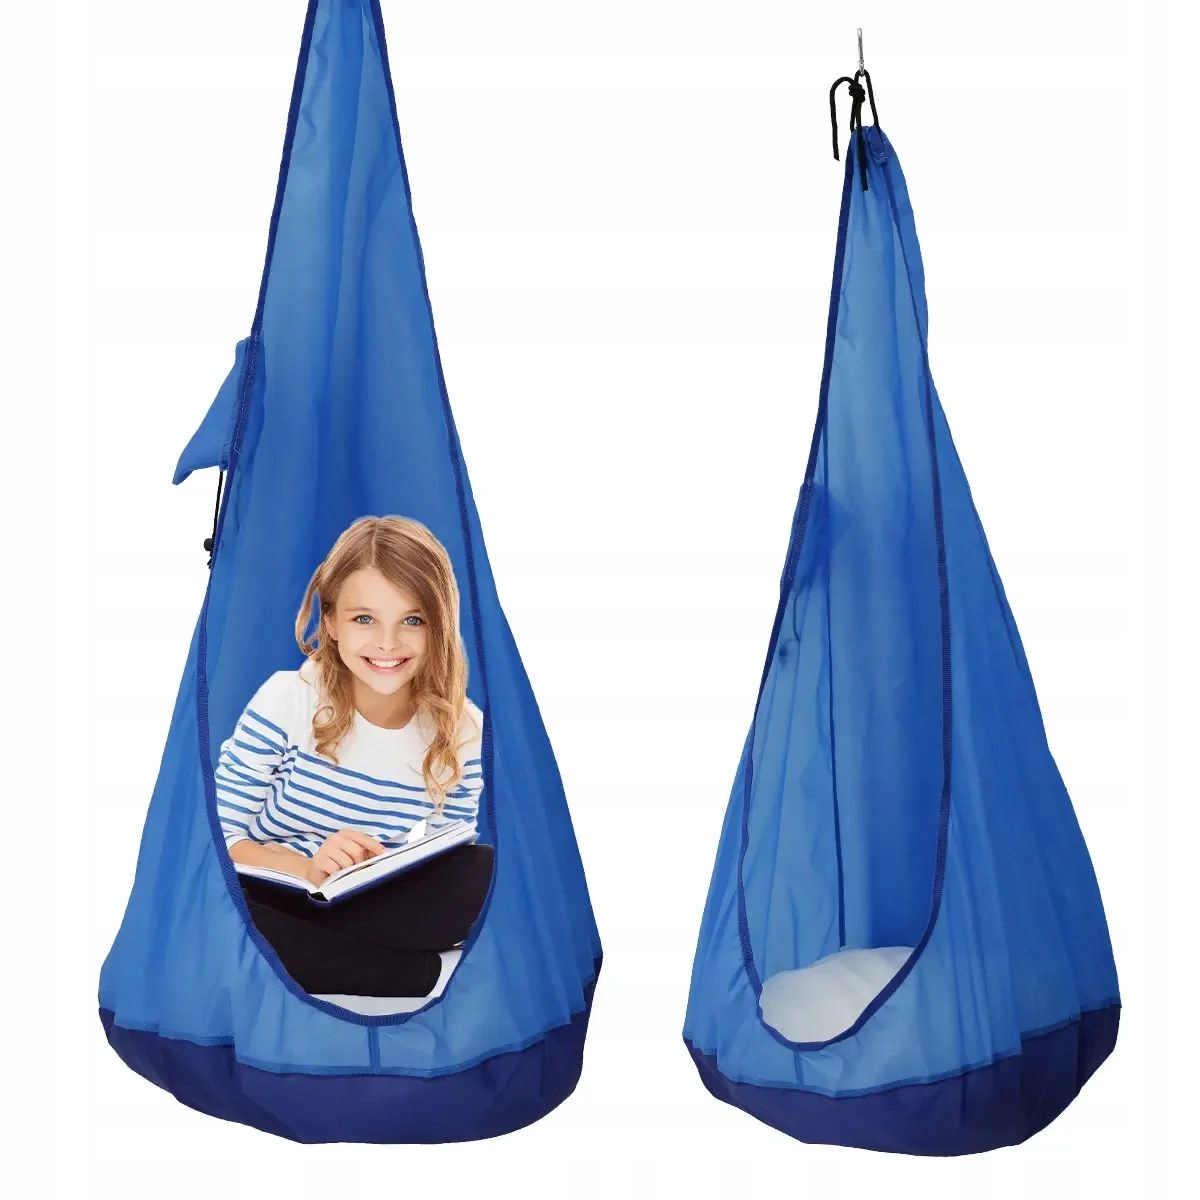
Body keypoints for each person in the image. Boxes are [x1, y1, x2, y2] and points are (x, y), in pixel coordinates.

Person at [216, 514, 494, 998]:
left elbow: (445, 854)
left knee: (482, 873)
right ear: (331, 623)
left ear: (439, 627)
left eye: (413, 620)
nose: (388, 643)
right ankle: (415, 975)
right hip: (274, 887)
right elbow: (216, 839)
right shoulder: (288, 698)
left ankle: (316, 956)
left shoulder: (463, 729)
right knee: (216, 912)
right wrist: (309, 869)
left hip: (363, 899)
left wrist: (381, 867)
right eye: (364, 619)